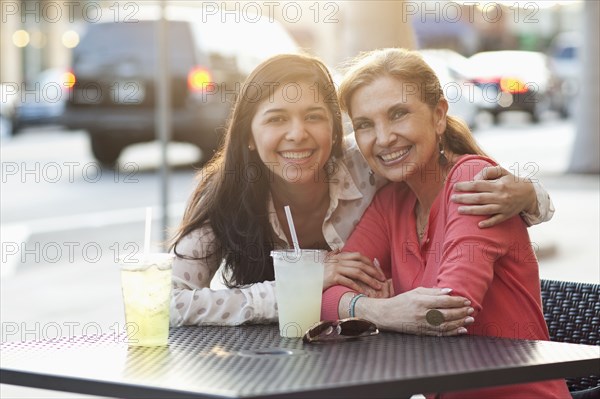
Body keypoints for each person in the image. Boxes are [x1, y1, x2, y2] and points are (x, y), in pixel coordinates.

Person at [169, 53, 553, 329]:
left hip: (381, 361)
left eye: (315, 117)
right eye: (276, 119)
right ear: (248, 138)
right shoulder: (225, 194)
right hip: (272, 360)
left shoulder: (370, 166)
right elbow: (166, 304)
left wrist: (531, 196)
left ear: (337, 131)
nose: (297, 134)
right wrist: (307, 283)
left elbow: (459, 173)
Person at [321, 48, 569, 398]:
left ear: (438, 116)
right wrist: (381, 310)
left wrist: (364, 311)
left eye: (398, 114)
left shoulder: (473, 181)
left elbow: (443, 315)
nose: (383, 137)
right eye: (365, 125)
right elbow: (324, 297)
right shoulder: (392, 201)